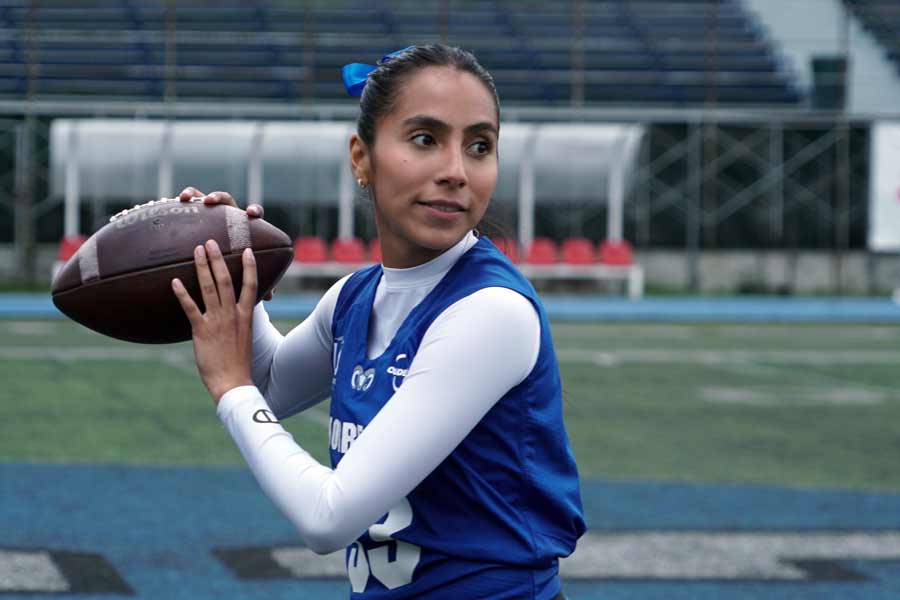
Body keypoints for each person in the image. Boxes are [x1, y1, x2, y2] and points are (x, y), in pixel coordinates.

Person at [172, 44, 585, 600]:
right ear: (361, 158)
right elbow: (268, 385)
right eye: (425, 139)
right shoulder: (354, 297)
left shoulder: (491, 312)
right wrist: (235, 264)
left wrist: (230, 387)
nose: (456, 171)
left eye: (479, 146)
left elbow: (328, 518)